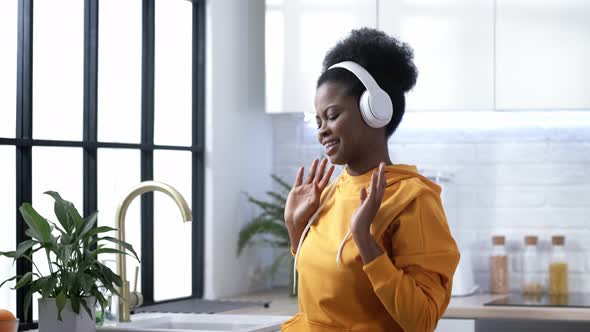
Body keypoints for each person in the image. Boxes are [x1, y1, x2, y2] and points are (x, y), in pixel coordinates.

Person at [281, 28, 460, 332]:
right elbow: (326, 295)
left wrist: (365, 239)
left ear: (374, 111)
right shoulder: (330, 192)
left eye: (333, 115)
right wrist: (296, 230)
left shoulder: (412, 199)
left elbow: (422, 320)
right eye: (318, 120)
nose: (322, 130)